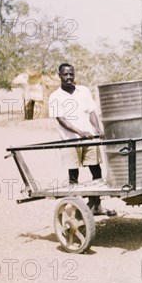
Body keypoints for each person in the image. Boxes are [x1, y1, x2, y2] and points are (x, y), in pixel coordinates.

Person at [48, 63, 116, 217]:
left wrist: (97, 129)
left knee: (96, 171)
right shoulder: (55, 97)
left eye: (71, 74)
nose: (69, 77)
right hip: (70, 140)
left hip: (89, 138)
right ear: (59, 75)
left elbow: (91, 111)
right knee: (73, 175)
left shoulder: (83, 91)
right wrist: (79, 132)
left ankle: (97, 205)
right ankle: (73, 209)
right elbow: (61, 119)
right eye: (65, 74)